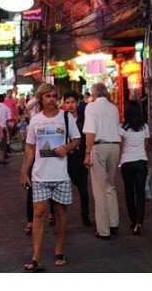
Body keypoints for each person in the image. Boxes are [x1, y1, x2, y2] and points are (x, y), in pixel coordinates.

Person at [20, 83, 81, 271]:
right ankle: (36, 256)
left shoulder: (66, 117)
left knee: (61, 213)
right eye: (48, 96)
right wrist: (24, 171)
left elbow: (77, 139)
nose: (52, 99)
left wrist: (67, 148)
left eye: (55, 96)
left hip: (61, 174)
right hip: (40, 175)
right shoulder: (36, 121)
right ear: (41, 99)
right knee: (39, 214)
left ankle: (59, 250)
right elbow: (30, 147)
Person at [82, 82, 121, 239]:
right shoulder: (114, 107)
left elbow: (90, 133)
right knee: (110, 186)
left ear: (94, 94)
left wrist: (87, 153)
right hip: (114, 147)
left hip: (99, 147)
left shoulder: (91, 107)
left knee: (99, 189)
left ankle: (103, 230)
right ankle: (114, 223)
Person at [118, 99, 149, 235]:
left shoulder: (122, 127)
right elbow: (146, 145)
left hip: (127, 162)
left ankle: (132, 219)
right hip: (141, 161)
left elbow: (121, 145)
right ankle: (139, 222)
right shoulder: (145, 127)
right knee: (140, 193)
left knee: (129, 192)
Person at [63, 91, 91, 227]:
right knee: (60, 189)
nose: (70, 105)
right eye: (67, 102)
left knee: (83, 190)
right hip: (64, 159)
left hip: (80, 158)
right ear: (64, 104)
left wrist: (87, 154)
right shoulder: (61, 120)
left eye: (73, 102)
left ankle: (85, 215)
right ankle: (55, 215)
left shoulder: (84, 120)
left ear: (78, 103)